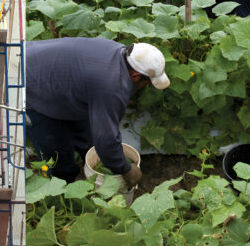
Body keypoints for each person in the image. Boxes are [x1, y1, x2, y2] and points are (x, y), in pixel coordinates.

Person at [25, 38, 172, 185]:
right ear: (135, 76)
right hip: (26, 82)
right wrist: (125, 169)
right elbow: (106, 138)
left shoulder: (120, 52)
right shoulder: (112, 87)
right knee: (58, 157)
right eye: (147, 83)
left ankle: (85, 159)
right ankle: (63, 191)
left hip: (44, 64)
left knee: (85, 133)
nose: (145, 87)